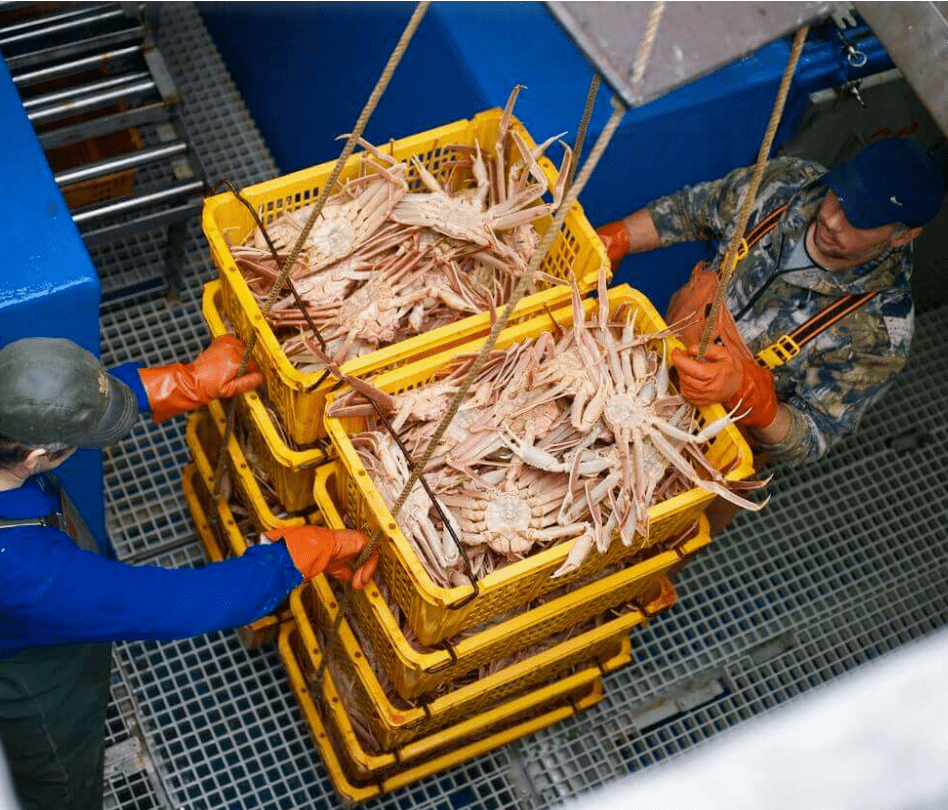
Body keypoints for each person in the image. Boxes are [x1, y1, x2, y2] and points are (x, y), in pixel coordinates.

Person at [0, 335, 379, 810]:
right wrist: (291, 560)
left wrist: (178, 383)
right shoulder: (25, 567)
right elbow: (170, 602)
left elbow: (47, 399)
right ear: (38, 459)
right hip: (37, 684)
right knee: (61, 782)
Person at [596, 137, 944, 468]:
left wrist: (754, 400)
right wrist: (620, 237)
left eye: (859, 219)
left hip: (706, 445)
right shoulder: (787, 183)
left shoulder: (881, 335)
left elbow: (814, 435)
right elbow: (693, 210)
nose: (832, 219)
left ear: (903, 235)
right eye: (840, 195)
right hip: (646, 363)